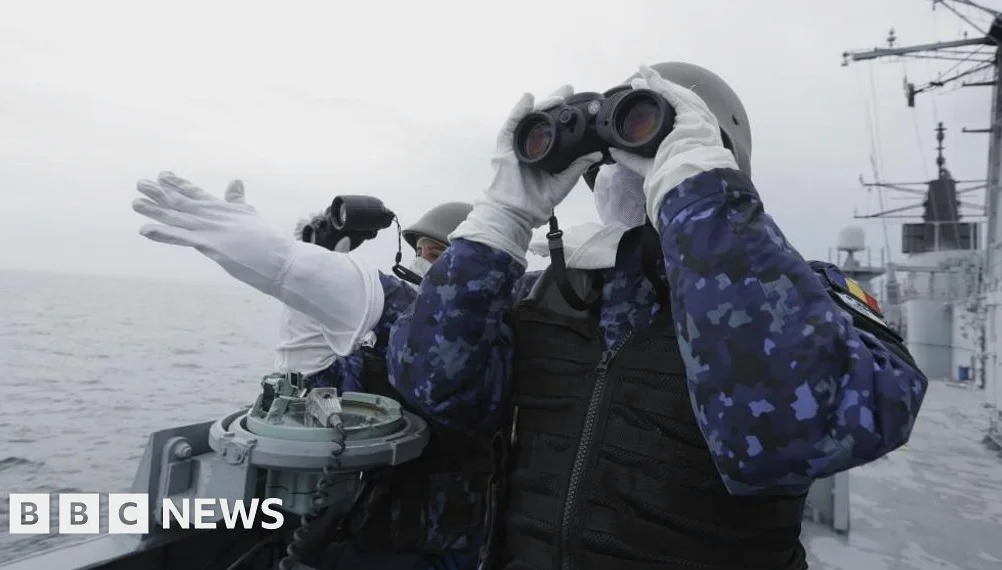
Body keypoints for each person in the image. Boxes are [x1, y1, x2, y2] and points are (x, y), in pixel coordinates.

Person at [381, 62, 930, 570]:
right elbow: (434, 387)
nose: (628, 177)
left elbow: (792, 435)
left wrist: (700, 197)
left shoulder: (808, 298)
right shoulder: (545, 293)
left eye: (654, 148)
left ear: (717, 161)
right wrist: (500, 219)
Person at [130, 183, 485, 570]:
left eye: (432, 255)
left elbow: (416, 323)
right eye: (417, 252)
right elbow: (322, 395)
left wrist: (298, 267)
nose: (419, 264)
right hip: (378, 523)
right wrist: (305, 307)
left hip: (444, 546)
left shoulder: (476, 339)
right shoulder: (404, 337)